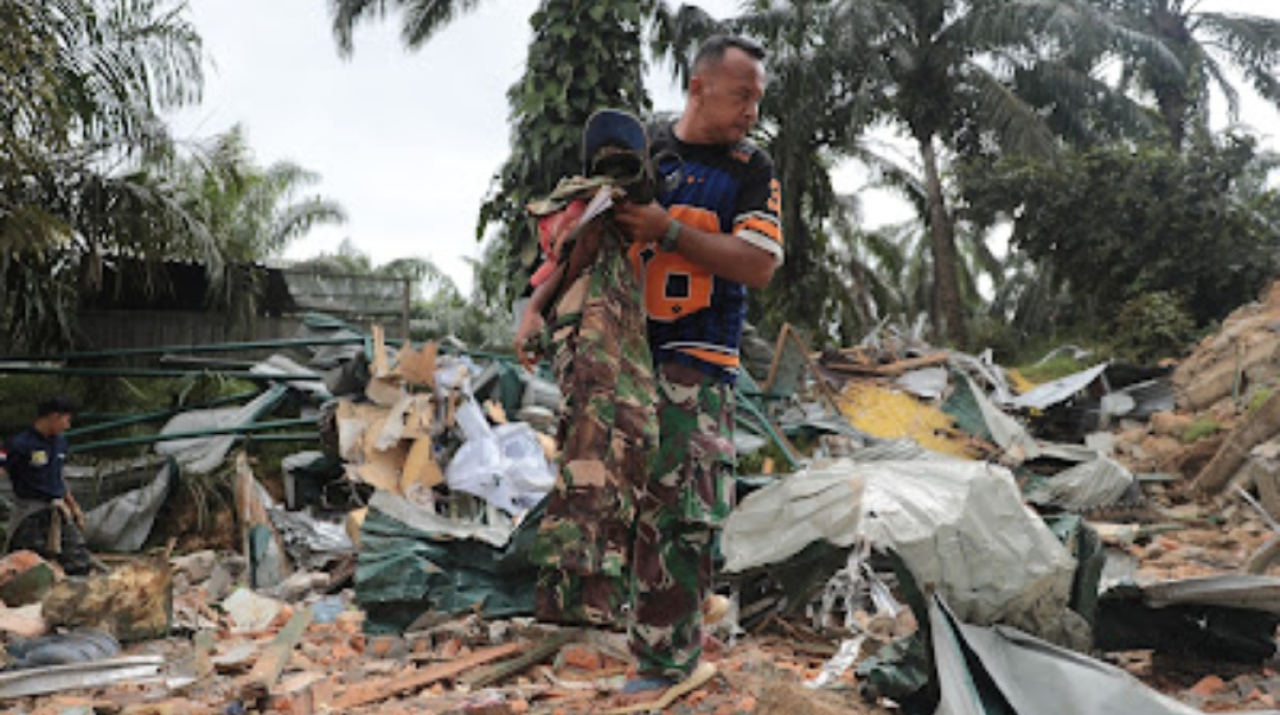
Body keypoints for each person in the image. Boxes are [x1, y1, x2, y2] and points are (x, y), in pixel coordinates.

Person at [607, 34, 783, 710]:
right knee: (628, 506)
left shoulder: (750, 166)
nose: (751, 111)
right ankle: (648, 640)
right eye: (742, 95)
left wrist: (668, 229)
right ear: (699, 86)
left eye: (758, 99)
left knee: (683, 511)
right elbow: (589, 230)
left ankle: (665, 662)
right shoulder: (648, 147)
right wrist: (536, 309)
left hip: (700, 359)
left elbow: (759, 263)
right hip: (628, 355)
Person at [2, 397, 93, 576]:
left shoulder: (60, 443)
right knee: (27, 565)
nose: (68, 426)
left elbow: (57, 477)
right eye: (66, 420)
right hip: (29, 511)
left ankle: (73, 599)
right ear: (54, 417)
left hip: (57, 508)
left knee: (79, 561)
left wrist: (74, 507)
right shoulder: (19, 444)